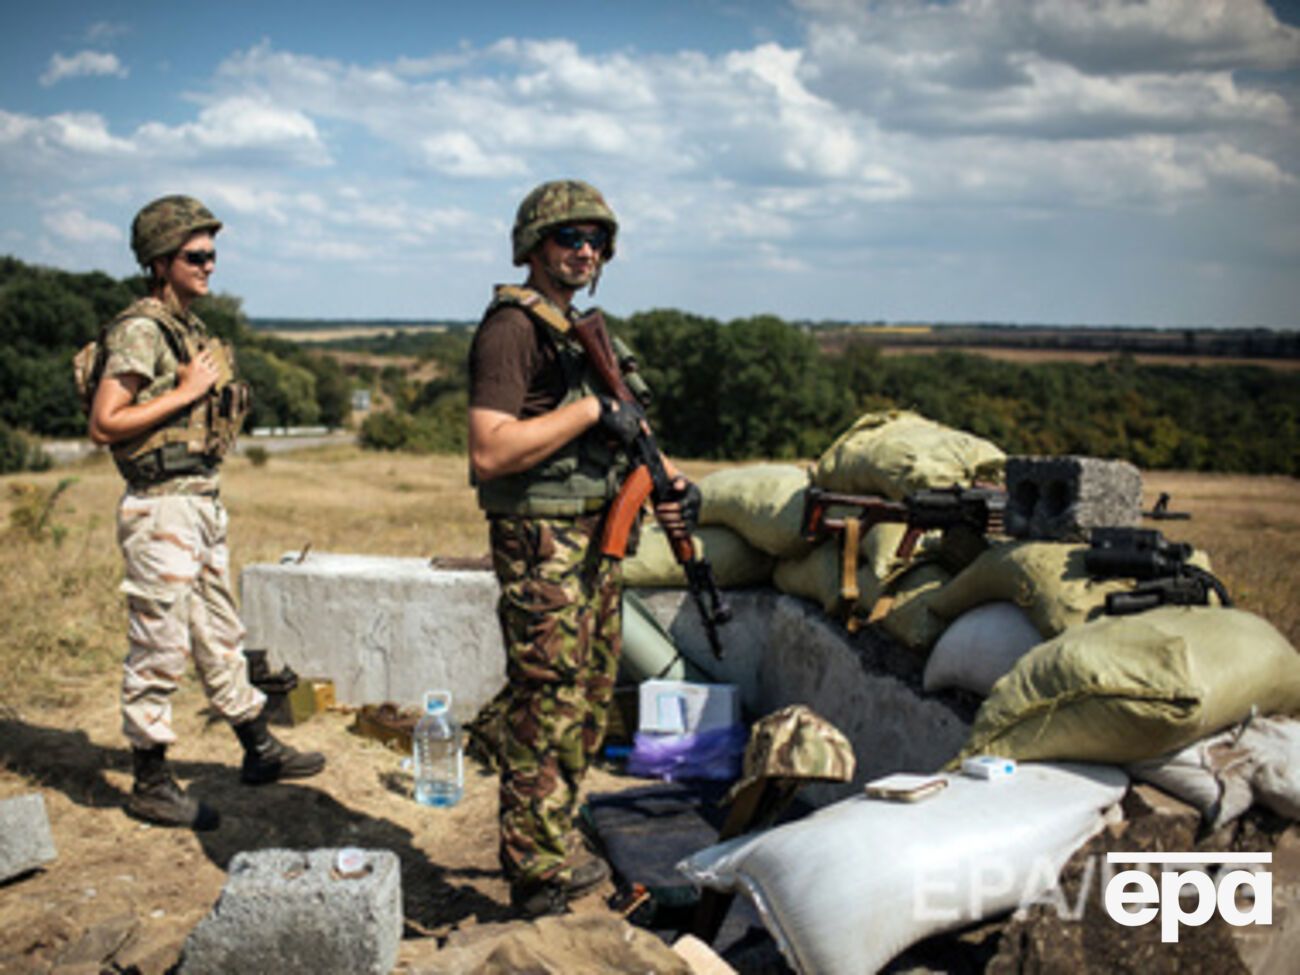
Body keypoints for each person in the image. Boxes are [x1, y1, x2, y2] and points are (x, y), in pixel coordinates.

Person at [468, 179, 698, 917]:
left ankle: (555, 837)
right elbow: (490, 452)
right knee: (548, 702)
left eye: (596, 240)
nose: (585, 251)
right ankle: (535, 875)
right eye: (570, 237)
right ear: (534, 244)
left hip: (593, 539)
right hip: (543, 540)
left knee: (589, 699)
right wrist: (589, 409)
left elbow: (624, 428)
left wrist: (669, 480)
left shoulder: (581, 330)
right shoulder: (513, 328)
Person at [88, 194, 325, 831]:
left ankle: (259, 748)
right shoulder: (141, 330)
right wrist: (191, 391)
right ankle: (150, 781)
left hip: (196, 503)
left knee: (219, 634)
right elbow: (105, 422)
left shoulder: (186, 328)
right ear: (160, 261)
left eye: (213, 255)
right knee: (159, 644)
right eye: (195, 256)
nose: (209, 266)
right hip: (161, 510)